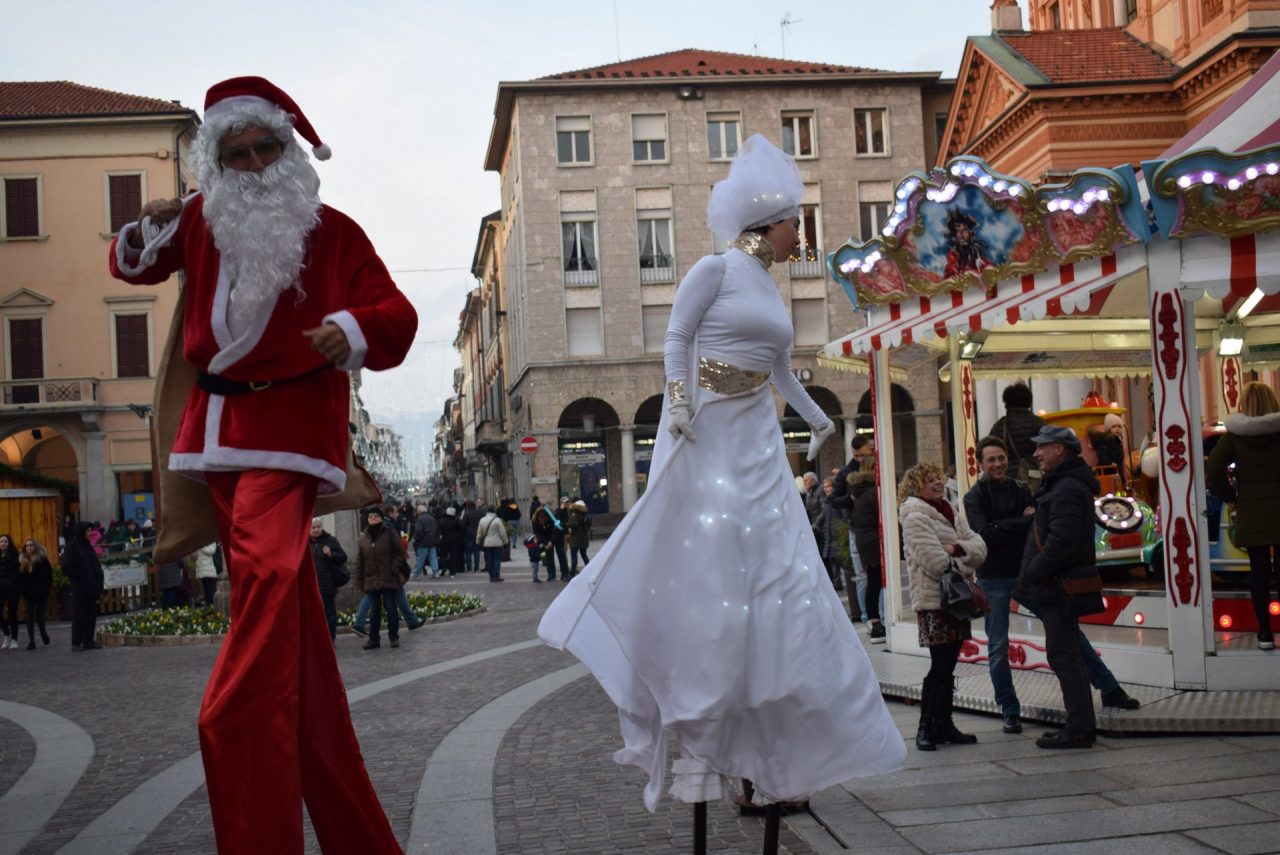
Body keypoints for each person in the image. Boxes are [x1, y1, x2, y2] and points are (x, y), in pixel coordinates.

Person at [539, 135, 904, 812]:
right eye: (797, 220)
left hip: (758, 436)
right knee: (707, 560)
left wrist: (816, 419)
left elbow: (782, 368)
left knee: (774, 565)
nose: (802, 231)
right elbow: (676, 338)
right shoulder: (714, 270)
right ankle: (690, 679)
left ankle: (767, 728)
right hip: (709, 429)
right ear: (769, 221)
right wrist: (678, 402)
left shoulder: (770, 283)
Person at [107, 76, 413, 853]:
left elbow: (397, 315)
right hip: (217, 430)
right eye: (234, 153)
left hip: (291, 435)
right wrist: (147, 226)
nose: (249, 164)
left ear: (290, 151)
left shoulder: (334, 232)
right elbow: (133, 266)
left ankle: (230, 718)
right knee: (302, 667)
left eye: (263, 148)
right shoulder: (204, 220)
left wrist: (351, 326)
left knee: (273, 577)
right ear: (217, 161)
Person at [967, 436, 1141, 732]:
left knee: (1067, 631)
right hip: (993, 576)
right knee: (998, 644)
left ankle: (1109, 687)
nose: (998, 464)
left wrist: (1002, 526)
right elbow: (985, 534)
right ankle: (1009, 708)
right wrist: (1013, 524)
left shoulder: (1021, 488)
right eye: (991, 460)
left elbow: (1033, 526)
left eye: (1001, 458)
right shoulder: (974, 497)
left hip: (1028, 572)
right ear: (981, 464)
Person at [1016, 426, 1101, 749]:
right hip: (1056, 584)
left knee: (1064, 655)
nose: (1036, 453)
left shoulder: (1066, 488)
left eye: (1043, 447)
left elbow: (1061, 542)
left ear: (1060, 450)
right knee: (1066, 653)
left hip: (1057, 585)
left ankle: (1079, 727)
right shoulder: (1064, 485)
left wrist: (1034, 572)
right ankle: (1078, 723)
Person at [899, 463, 988, 751]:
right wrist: (960, 552)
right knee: (940, 665)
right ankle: (926, 727)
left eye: (938, 478)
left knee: (949, 664)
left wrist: (956, 549)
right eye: (930, 480)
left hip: (957, 600)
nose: (938, 483)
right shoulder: (914, 516)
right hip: (936, 601)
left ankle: (944, 723)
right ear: (916, 487)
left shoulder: (948, 509)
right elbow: (935, 561)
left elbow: (979, 547)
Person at [1207, 381, 1280, 650]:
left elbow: (1212, 471)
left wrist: (1231, 498)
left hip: (1252, 510)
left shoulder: (1235, 436)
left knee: (1259, 572)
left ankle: (1264, 634)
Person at [831, 435, 876, 622]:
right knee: (862, 576)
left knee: (876, 576)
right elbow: (833, 500)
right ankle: (866, 616)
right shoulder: (846, 473)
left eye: (864, 455)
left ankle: (877, 615)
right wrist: (849, 500)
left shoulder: (876, 466)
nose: (861, 460)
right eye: (857, 456)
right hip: (856, 528)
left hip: (874, 526)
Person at [355, 508, 408, 650]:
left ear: (381, 518)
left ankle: (393, 637)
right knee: (374, 611)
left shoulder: (389, 533)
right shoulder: (363, 537)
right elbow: (360, 561)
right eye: (370, 516)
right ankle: (374, 639)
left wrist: (393, 569)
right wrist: (359, 581)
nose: (372, 518)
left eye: (376, 516)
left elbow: (399, 553)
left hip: (388, 577)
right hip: (371, 579)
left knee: (391, 608)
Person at [849, 460, 885, 641]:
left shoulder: (859, 492)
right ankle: (876, 620)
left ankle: (873, 620)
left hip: (863, 538)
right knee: (876, 581)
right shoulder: (874, 492)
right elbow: (882, 514)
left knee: (872, 580)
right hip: (873, 538)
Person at [989, 383, 1047, 490]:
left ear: (1006, 403)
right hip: (1035, 477)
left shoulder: (1000, 426)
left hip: (1008, 478)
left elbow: (989, 451)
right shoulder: (1038, 423)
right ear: (1029, 401)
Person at [62, 522, 104, 651]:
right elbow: (67, 567)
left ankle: (88, 640)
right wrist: (82, 575)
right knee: (79, 614)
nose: (90, 533)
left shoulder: (87, 546)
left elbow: (95, 565)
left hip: (91, 587)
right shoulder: (72, 547)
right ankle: (76, 641)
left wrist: (98, 581)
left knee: (91, 615)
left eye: (91, 530)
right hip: (80, 588)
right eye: (87, 531)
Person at [310, 518, 348, 641]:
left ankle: (331, 638)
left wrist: (331, 554)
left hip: (327, 583)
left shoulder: (330, 540)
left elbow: (343, 557)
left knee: (329, 611)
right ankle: (317, 639)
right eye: (313, 527)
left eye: (318, 527)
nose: (316, 530)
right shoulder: (305, 543)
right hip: (311, 583)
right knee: (314, 613)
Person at [18, 538, 53, 649]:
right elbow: (20, 579)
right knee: (30, 617)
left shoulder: (43, 561)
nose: (29, 547)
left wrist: (45, 590)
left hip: (41, 593)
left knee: (40, 616)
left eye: (31, 545)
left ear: (35, 547)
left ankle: (43, 633)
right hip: (28, 594)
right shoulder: (23, 562)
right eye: (27, 545)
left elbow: (48, 577)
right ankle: (31, 641)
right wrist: (24, 591)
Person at [530, 501, 566, 582]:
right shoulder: (535, 520)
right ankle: (551, 575)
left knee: (561, 553)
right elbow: (538, 533)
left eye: (545, 520)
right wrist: (542, 543)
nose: (543, 522)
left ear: (547, 517)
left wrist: (551, 541)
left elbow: (557, 530)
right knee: (549, 555)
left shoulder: (553, 517)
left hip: (557, 534)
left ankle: (564, 574)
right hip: (546, 536)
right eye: (541, 521)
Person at [476, 503, 509, 582]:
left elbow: (479, 533)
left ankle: (491, 576)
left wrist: (478, 542)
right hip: (497, 543)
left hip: (487, 543)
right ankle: (496, 575)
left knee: (489, 560)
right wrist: (505, 542)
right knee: (497, 559)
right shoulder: (497, 520)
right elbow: (502, 533)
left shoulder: (482, 520)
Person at [0, 534, 18, 649]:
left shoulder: (14, 555)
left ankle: (14, 639)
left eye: (5, 541)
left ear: (9, 543)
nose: (3, 543)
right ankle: (6, 634)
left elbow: (17, 572)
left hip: (12, 588)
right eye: (1, 541)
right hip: (0, 588)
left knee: (12, 613)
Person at [411, 503, 439, 579]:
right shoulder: (432, 518)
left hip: (423, 541)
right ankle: (435, 572)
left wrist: (416, 538)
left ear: (419, 511)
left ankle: (416, 574)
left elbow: (419, 531)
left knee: (420, 558)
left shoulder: (419, 519)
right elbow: (436, 529)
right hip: (432, 540)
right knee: (433, 557)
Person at [566, 499, 591, 576]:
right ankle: (590, 569)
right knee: (584, 555)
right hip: (584, 537)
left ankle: (572, 573)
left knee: (574, 556)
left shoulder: (574, 512)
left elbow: (574, 523)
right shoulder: (585, 513)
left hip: (575, 538)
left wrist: (567, 524)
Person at [438, 505, 464, 577]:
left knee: (443, 556)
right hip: (454, 541)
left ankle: (443, 568)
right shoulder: (456, 520)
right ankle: (452, 571)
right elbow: (461, 530)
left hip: (444, 540)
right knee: (453, 556)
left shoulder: (442, 520)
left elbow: (438, 530)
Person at [194, 543, 219, 607]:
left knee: (210, 590)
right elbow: (195, 556)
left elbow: (211, 551)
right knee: (206, 590)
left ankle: (211, 606)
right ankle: (209, 606)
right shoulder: (200, 542)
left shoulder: (210, 541)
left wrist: (202, 546)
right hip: (201, 569)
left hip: (209, 570)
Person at [461, 500, 483, 573]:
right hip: (477, 533)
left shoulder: (466, 514)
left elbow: (463, 524)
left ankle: (469, 567)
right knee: (476, 551)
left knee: (468, 552)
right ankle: (476, 568)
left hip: (468, 534)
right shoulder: (479, 513)